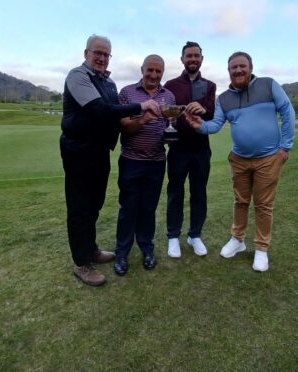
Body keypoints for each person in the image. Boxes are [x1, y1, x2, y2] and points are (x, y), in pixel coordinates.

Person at [60, 35, 159, 286]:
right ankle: (82, 263)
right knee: (80, 208)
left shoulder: (109, 83)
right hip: (78, 151)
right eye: (98, 53)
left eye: (106, 54)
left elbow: (115, 119)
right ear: (86, 53)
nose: (102, 58)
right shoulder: (78, 76)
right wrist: (140, 106)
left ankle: (91, 249)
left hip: (99, 151)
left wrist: (141, 123)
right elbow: (100, 111)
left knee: (94, 204)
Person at [184, 51, 295, 272]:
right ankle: (238, 240)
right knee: (240, 201)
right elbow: (215, 124)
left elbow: (287, 112)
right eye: (233, 67)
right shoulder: (224, 98)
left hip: (269, 158)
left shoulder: (268, 85)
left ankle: (262, 249)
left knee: (263, 205)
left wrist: (285, 147)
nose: (238, 70)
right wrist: (199, 126)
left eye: (242, 66)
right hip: (240, 159)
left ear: (251, 67)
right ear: (229, 71)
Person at [112, 55, 176, 276]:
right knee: (128, 208)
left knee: (149, 209)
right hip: (131, 161)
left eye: (158, 71)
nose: (154, 75)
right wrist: (145, 118)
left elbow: (170, 127)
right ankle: (121, 253)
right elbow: (124, 129)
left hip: (157, 162)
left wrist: (170, 137)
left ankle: (147, 250)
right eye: (150, 70)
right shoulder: (127, 93)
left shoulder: (169, 96)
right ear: (142, 69)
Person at [164, 41, 217, 259]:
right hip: (177, 149)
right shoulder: (171, 84)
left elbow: (213, 114)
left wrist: (204, 109)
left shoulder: (210, 85)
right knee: (175, 193)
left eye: (196, 56)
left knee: (199, 193)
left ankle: (195, 235)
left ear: (201, 59)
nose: (193, 59)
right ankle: (173, 236)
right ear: (182, 59)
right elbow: (165, 114)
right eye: (189, 56)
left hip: (201, 149)